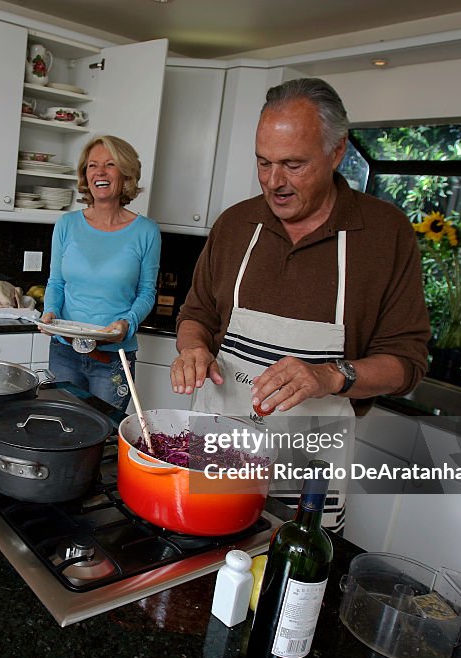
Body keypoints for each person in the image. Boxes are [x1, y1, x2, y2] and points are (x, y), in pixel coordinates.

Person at [170, 78, 430, 529]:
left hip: (305, 473)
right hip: (217, 453)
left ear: (337, 151)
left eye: (293, 164)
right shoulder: (235, 224)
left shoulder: (385, 234)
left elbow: (407, 362)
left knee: (289, 581)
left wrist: (332, 375)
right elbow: (196, 315)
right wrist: (192, 347)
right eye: (264, 162)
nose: (275, 183)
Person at [41, 135, 161, 411]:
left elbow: (146, 292)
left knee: (104, 434)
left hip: (114, 357)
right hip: (65, 351)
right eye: (92, 165)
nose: (100, 172)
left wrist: (126, 323)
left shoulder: (146, 231)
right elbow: (56, 282)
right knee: (62, 428)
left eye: (110, 165)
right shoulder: (67, 224)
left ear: (126, 174)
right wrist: (50, 312)